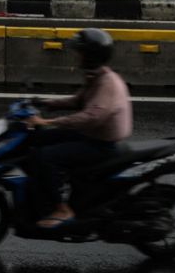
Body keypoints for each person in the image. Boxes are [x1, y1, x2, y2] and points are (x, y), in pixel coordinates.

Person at [24, 28, 132, 229]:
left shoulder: (107, 84)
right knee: (38, 139)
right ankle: (43, 189)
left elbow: (88, 118)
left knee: (47, 157)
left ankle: (62, 209)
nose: (76, 56)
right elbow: (77, 100)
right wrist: (43, 102)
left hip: (101, 144)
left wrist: (47, 122)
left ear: (91, 56)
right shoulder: (97, 77)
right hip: (91, 135)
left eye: (79, 52)